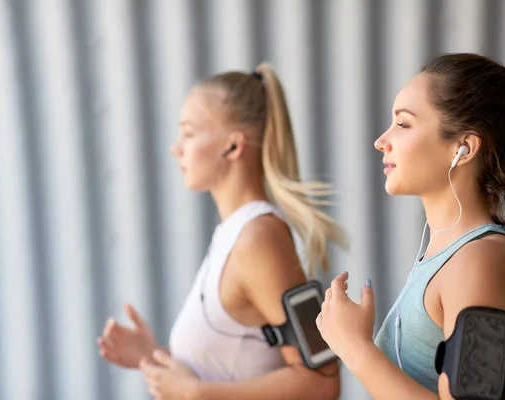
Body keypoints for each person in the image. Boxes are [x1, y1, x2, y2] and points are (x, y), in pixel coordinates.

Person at [315, 53, 505, 400]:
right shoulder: (457, 255)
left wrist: (355, 348)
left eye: (404, 123)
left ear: (464, 148)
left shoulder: (482, 262)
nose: (382, 140)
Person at [97, 63, 348, 400]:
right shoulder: (232, 235)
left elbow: (321, 382)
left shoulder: (259, 238)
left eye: (188, 132)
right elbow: (225, 373)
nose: (176, 147)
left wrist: (197, 394)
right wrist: (150, 357)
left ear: (232, 147)